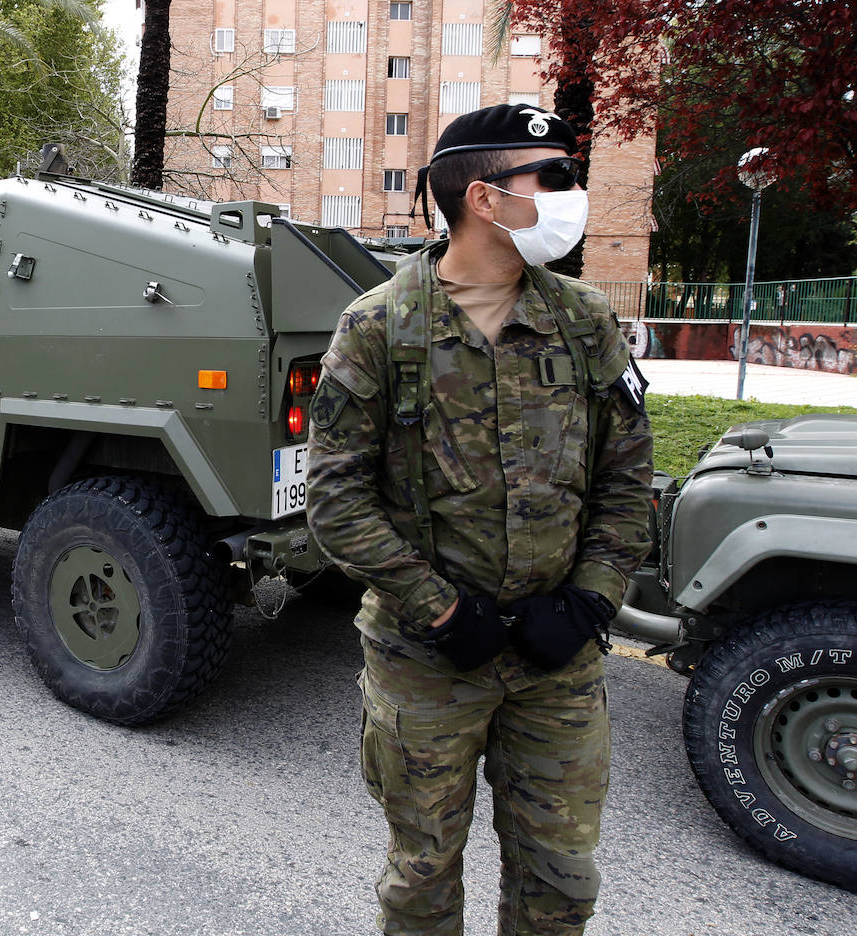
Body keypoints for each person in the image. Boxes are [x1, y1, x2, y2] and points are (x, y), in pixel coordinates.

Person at [304, 103, 653, 936]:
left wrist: (591, 601)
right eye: (556, 178)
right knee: (422, 877)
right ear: (486, 200)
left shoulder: (584, 318)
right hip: (428, 663)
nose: (573, 196)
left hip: (556, 663)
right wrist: (442, 610)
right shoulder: (381, 327)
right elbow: (335, 497)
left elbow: (627, 475)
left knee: (561, 881)